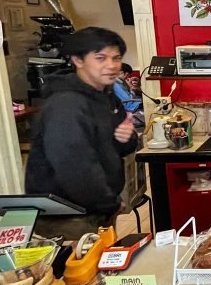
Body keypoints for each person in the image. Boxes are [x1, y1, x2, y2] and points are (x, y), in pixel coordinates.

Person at [26, 27, 138, 239]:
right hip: (68, 218)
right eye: (100, 58)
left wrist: (126, 138)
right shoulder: (66, 104)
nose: (112, 65)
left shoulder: (105, 97)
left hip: (96, 211)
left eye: (116, 58)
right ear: (78, 60)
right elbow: (75, 166)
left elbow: (120, 146)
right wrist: (109, 202)